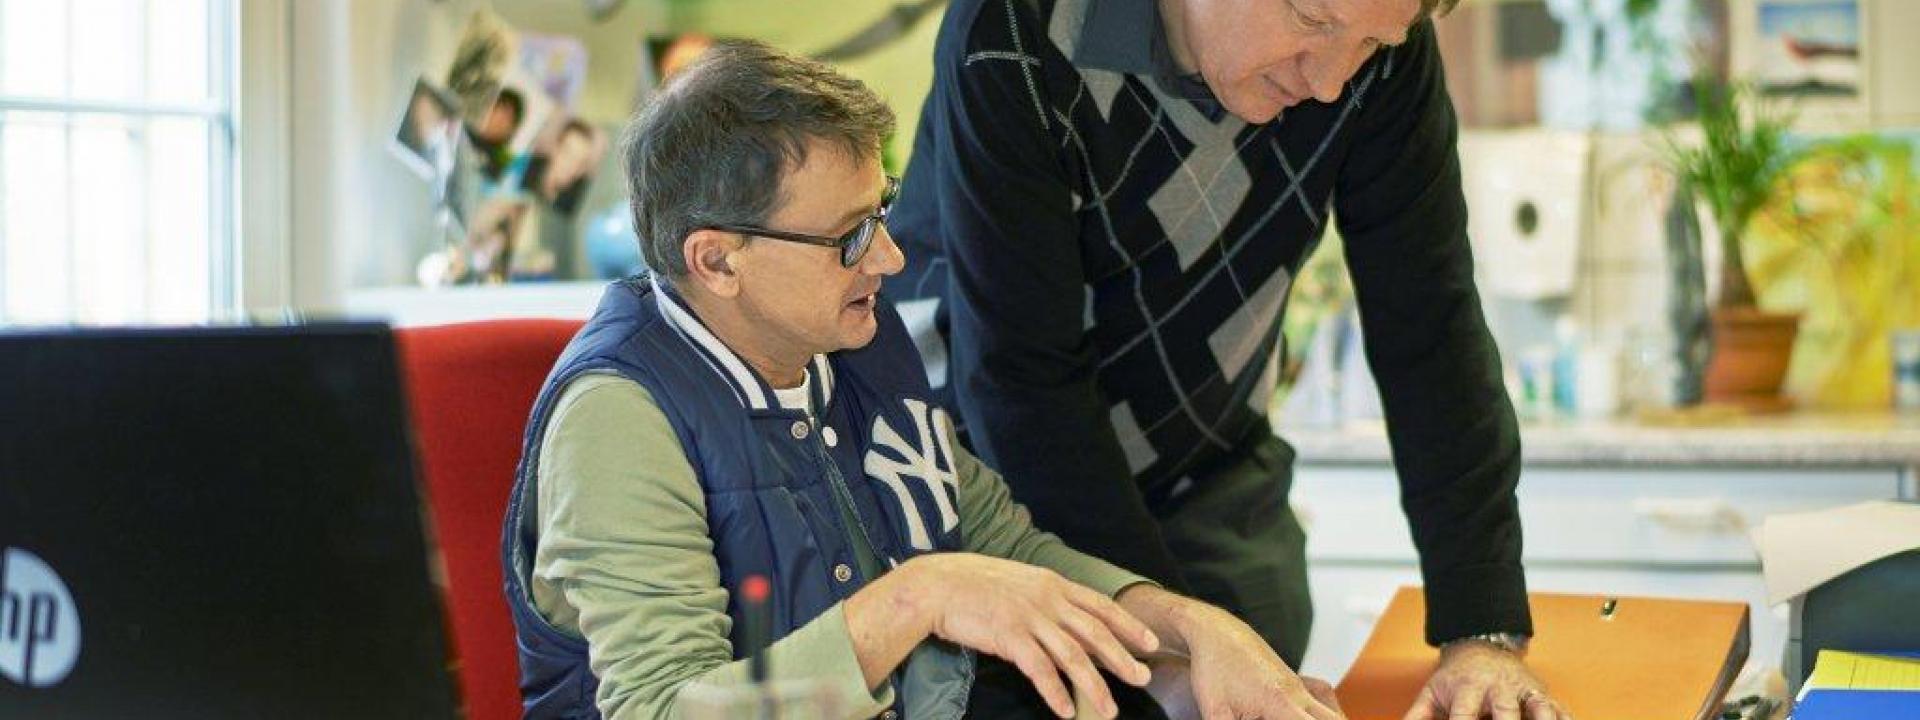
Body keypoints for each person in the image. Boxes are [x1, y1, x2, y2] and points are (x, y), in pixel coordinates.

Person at [502, 40, 1348, 720]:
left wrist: (1189, 641)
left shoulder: (857, 349)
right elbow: (658, 707)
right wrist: (919, 599)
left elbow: (1008, 551)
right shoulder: (618, 419)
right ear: (717, 260)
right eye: (848, 237)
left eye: (882, 212)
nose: (890, 257)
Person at [886, 0, 1569, 718]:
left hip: (1212, 491)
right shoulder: (1015, 32)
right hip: (991, 518)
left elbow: (1430, 330)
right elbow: (1023, 385)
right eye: (1312, 20)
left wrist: (1480, 628)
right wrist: (1176, 647)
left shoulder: (1380, 47)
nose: (1331, 82)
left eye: (1372, 42)